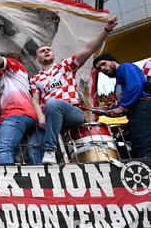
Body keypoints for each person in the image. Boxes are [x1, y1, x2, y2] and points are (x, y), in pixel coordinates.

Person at [30, 16, 118, 164]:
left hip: (73, 113)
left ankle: (50, 151)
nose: (46, 51)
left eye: (49, 50)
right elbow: (35, 101)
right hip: (51, 117)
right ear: (37, 59)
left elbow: (89, 49)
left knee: (53, 103)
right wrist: (40, 117)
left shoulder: (65, 66)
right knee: (32, 143)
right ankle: (42, 175)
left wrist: (106, 29)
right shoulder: (35, 79)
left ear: (54, 55)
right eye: (42, 51)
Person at [0, 52, 43, 164]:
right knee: (17, 153)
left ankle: (5, 179)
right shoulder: (6, 76)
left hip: (17, 115)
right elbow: (1, 105)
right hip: (22, 115)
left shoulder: (15, 65)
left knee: (4, 149)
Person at [93, 53, 151, 158]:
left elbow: (136, 86)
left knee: (144, 144)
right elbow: (121, 105)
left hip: (142, 107)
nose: (102, 69)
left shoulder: (125, 67)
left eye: (103, 64)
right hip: (135, 112)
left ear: (112, 60)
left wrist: (122, 107)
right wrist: (105, 111)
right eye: (99, 69)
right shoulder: (118, 82)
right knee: (138, 145)